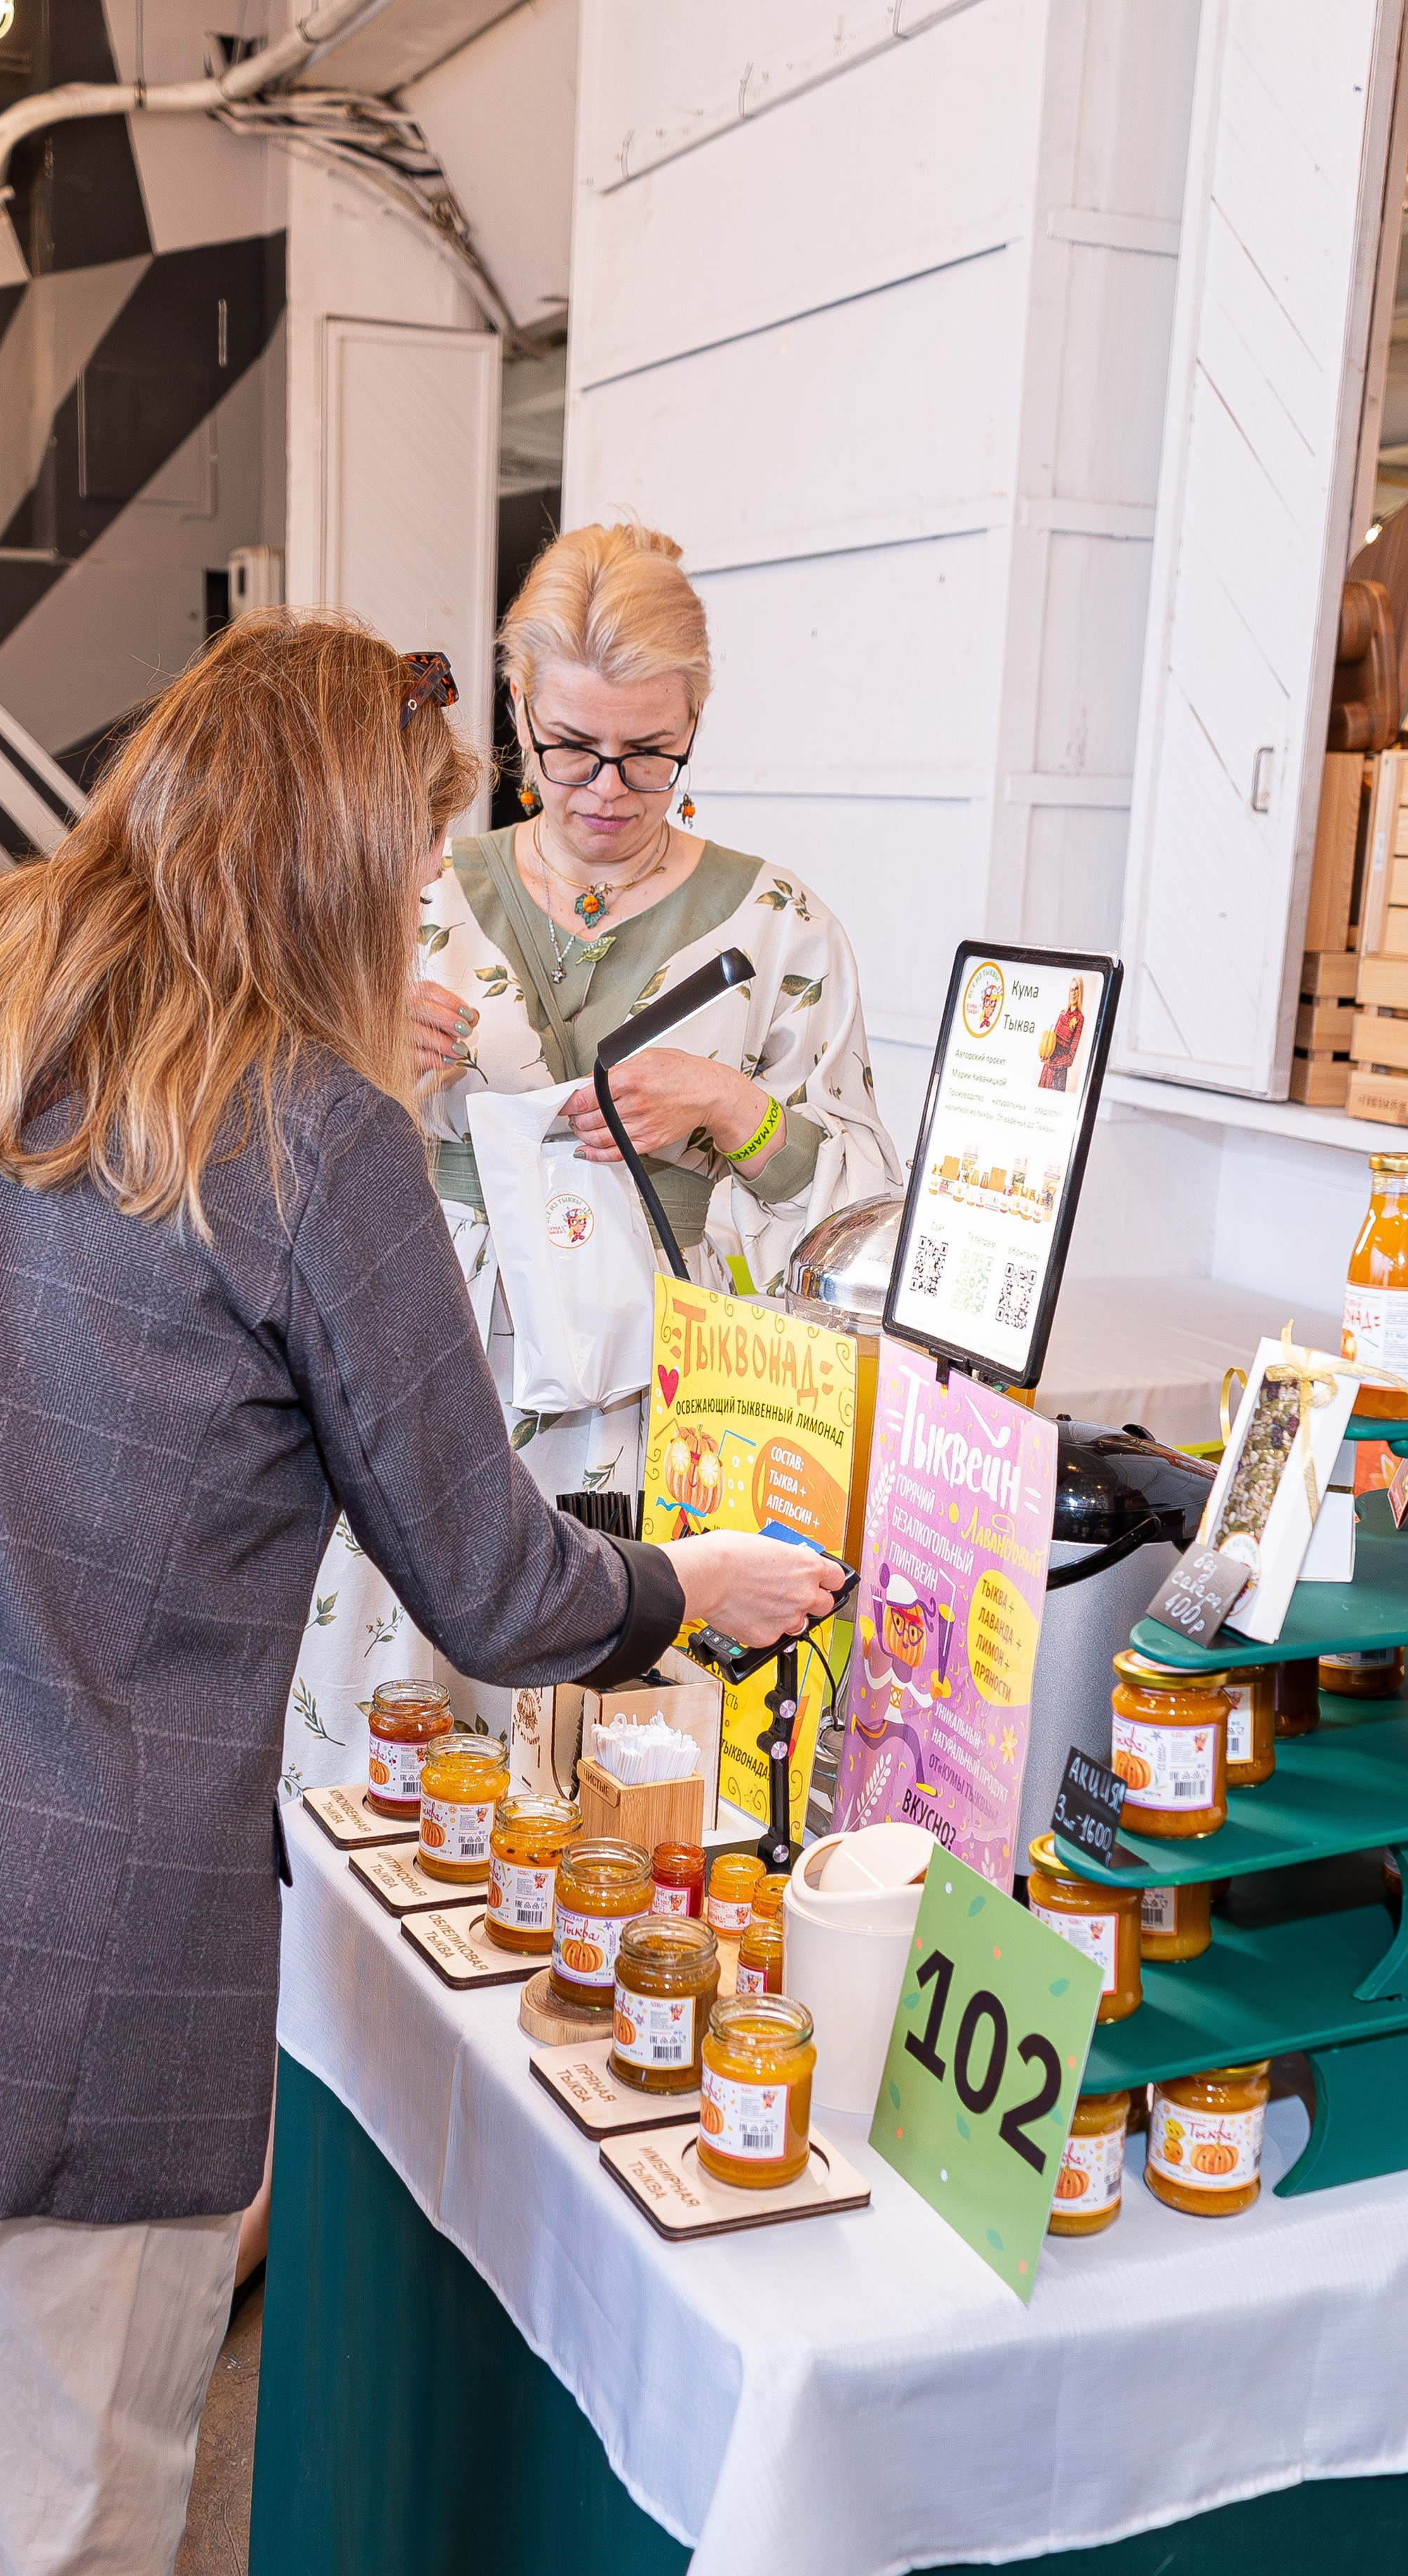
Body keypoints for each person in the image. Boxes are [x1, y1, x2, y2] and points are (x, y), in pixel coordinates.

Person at [0, 610, 838, 2576]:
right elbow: (497, 1581)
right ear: (348, 857)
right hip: (94, 1952)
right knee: (61, 2561)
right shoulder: (306, 1137)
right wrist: (685, 1579)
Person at [283, 522, 898, 1794]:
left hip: (674, 1408)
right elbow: (262, 1151)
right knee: (405, 1747)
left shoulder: (780, 928)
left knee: (642, 1786)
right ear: (516, 711)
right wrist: (358, 1062)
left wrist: (743, 1115)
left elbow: (871, 1233)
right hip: (434, 1369)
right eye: (569, 749)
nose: (608, 788)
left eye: (650, 753)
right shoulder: (411, 893)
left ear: (697, 722)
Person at [1039, 976, 1085, 1093]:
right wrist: (1045, 1054)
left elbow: (1070, 1058)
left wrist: (1053, 1063)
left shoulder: (1079, 1019)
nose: (1073, 993)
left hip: (1059, 1074)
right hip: (1046, 1070)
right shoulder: (1062, 1013)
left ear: (1080, 992)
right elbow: (1051, 1042)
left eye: (1076, 989)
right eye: (1071, 990)